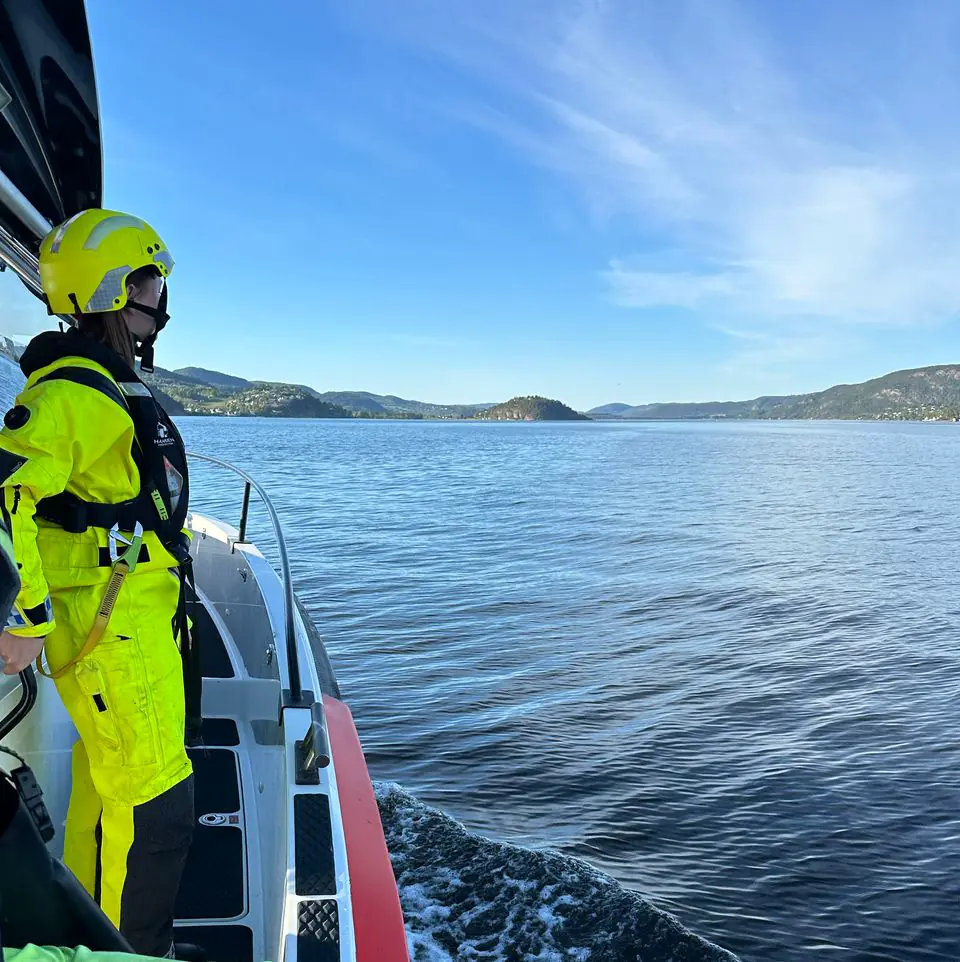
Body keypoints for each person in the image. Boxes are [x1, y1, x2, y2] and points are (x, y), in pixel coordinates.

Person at [0, 209, 195, 959]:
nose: (159, 295)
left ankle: (88, 936)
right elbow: (5, 489)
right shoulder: (75, 394)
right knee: (156, 808)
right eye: (150, 279)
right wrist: (25, 619)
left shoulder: (97, 385)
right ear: (118, 290)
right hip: (110, 630)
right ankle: (133, 954)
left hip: (126, 620)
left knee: (106, 791)